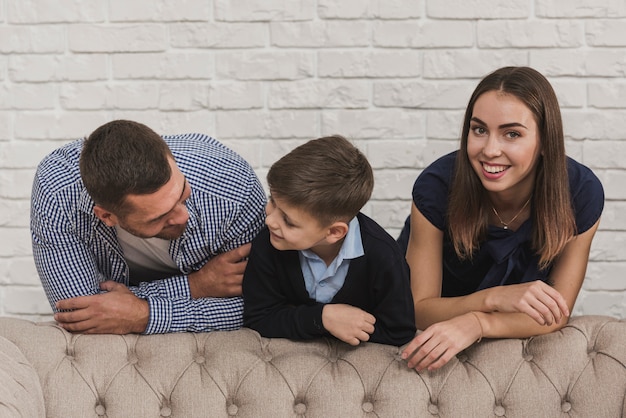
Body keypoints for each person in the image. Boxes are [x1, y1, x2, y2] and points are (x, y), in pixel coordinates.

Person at [398, 66, 604, 371]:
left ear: (546, 142)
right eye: (479, 130)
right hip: (439, 337)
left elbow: (557, 313)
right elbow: (417, 310)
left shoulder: (580, 194)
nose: (490, 150)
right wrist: (493, 298)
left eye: (512, 134)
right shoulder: (436, 187)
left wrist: (478, 324)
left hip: (492, 337)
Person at [30, 120, 267, 334]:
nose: (182, 216)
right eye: (159, 217)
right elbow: (79, 313)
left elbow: (262, 306)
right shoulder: (57, 190)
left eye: (182, 194)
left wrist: (144, 314)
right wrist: (196, 285)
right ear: (107, 216)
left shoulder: (231, 185)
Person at [242, 135, 416, 346]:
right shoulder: (269, 242)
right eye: (272, 201)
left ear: (334, 232)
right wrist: (322, 319)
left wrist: (345, 325)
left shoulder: (384, 256)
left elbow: (399, 331)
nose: (270, 220)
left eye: (288, 220)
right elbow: (259, 317)